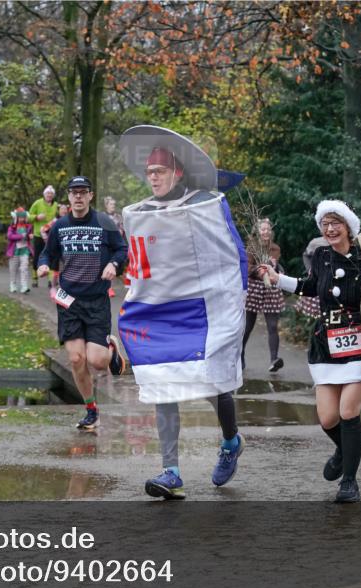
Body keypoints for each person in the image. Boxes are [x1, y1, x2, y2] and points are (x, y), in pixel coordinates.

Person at [116, 125, 247, 500]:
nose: (153, 178)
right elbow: (141, 262)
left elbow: (230, 251)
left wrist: (235, 294)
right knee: (161, 382)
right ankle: (170, 470)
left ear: (176, 173)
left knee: (214, 382)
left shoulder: (204, 204)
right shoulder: (142, 213)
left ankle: (230, 440)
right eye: (149, 173)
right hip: (161, 312)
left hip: (204, 309)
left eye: (159, 172)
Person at [260, 201, 361, 502]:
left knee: (348, 411)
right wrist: (275, 277)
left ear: (348, 226)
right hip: (326, 344)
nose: (330, 229)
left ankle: (349, 481)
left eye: (336, 222)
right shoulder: (321, 255)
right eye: (325, 224)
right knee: (327, 418)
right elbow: (308, 286)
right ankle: (342, 451)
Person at [37, 176, 128, 430]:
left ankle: (109, 347)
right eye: (74, 192)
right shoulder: (60, 226)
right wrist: (43, 264)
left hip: (97, 300)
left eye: (83, 192)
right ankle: (91, 411)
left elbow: (122, 250)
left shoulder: (104, 223)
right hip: (69, 302)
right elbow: (47, 252)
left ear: (90, 196)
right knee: (76, 359)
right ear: (68, 197)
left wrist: (113, 263)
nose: (78, 197)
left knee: (97, 362)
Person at [241, 218, 286, 372]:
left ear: (271, 231)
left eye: (268, 229)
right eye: (263, 229)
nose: (265, 232)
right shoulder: (252, 247)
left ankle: (274, 360)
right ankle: (240, 355)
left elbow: (275, 268)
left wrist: (274, 267)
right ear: (258, 232)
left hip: (270, 287)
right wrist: (259, 270)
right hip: (255, 286)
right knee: (248, 325)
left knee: (273, 325)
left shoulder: (275, 248)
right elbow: (248, 268)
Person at [29, 186, 59, 287]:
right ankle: (34, 278)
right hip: (39, 235)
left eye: (51, 194)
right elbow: (28, 217)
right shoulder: (38, 203)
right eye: (47, 194)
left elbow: (60, 217)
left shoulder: (56, 205)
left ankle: (51, 280)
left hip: (52, 235)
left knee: (53, 256)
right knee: (38, 256)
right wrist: (37, 217)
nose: (49, 195)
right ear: (44, 194)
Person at [6, 207, 33, 293]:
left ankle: (24, 286)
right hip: (14, 251)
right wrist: (21, 236)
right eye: (20, 217)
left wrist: (29, 237)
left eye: (23, 217)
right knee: (13, 269)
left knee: (24, 268)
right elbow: (10, 236)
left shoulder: (29, 226)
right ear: (16, 218)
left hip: (25, 250)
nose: (22, 219)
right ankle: (13, 284)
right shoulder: (12, 227)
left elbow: (30, 236)